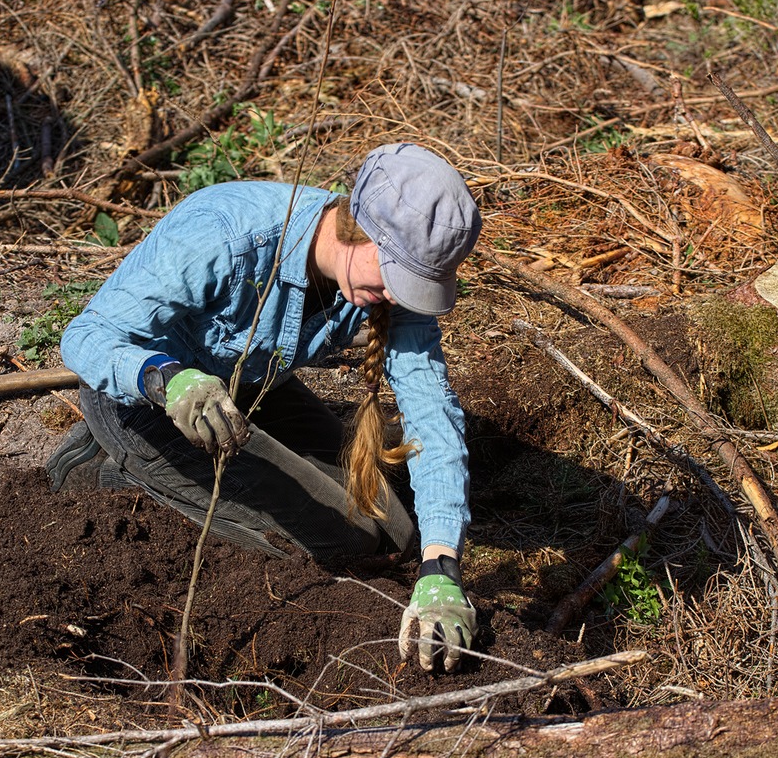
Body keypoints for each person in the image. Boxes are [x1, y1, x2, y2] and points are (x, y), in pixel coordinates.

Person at [50, 143, 481, 672]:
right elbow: (86, 335)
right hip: (149, 400)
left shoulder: (386, 290)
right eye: (395, 276)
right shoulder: (226, 236)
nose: (397, 295)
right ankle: (104, 468)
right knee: (338, 544)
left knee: (398, 534)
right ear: (360, 228)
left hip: (245, 386)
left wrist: (441, 566)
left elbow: (431, 411)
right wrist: (165, 380)